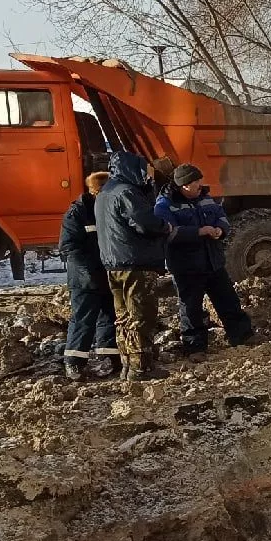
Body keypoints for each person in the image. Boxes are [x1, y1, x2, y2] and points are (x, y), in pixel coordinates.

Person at [154, 163, 254, 354]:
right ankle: (195, 347)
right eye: (196, 183)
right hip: (186, 267)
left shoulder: (205, 198)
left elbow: (221, 216)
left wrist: (220, 229)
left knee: (228, 300)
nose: (200, 185)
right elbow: (168, 233)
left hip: (212, 262)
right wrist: (198, 232)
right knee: (191, 308)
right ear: (184, 185)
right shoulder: (165, 205)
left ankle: (242, 336)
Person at [96, 150, 172, 380]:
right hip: (135, 263)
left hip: (113, 264)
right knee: (141, 313)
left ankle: (128, 363)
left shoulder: (105, 192)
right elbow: (144, 222)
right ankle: (141, 367)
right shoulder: (127, 192)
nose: (147, 175)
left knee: (123, 316)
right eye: (144, 170)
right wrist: (165, 226)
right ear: (132, 168)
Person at [58, 170, 119, 380]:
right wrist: (88, 272)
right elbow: (68, 246)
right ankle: (74, 362)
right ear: (96, 191)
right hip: (85, 279)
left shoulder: (108, 209)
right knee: (83, 318)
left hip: (106, 274)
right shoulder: (77, 213)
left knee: (109, 317)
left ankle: (109, 356)